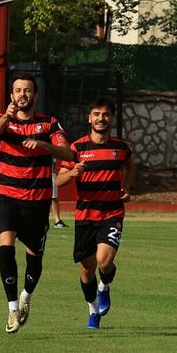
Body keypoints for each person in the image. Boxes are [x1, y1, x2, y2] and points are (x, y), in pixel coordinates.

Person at [0, 74, 74, 334]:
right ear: (11, 96)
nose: (22, 94)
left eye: (27, 90)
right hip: (7, 196)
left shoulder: (49, 123)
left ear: (35, 95)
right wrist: (6, 115)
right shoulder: (2, 121)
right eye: (17, 90)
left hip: (37, 201)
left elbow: (69, 152)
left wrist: (44, 145)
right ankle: (12, 307)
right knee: (5, 249)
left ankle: (26, 296)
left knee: (34, 258)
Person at [56, 97, 135, 330]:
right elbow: (58, 180)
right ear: (89, 118)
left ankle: (105, 286)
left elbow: (131, 166)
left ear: (112, 118)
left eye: (106, 114)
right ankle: (92, 310)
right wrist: (72, 174)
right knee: (86, 269)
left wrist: (127, 188)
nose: (101, 118)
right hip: (85, 216)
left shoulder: (122, 148)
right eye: (97, 114)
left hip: (112, 213)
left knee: (104, 260)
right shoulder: (76, 148)